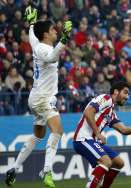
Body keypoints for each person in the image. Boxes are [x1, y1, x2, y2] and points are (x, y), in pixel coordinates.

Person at [5, 6, 72, 187]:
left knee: (38, 136)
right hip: (43, 97)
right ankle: (47, 171)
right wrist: (65, 38)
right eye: (52, 30)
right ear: (45, 35)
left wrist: (32, 22)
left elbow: (32, 34)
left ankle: (14, 168)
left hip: (36, 97)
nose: (55, 31)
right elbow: (51, 57)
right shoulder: (43, 48)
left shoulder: (36, 42)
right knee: (57, 131)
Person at [73, 81, 131, 188]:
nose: (127, 97)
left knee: (119, 163)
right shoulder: (105, 98)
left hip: (92, 140)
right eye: (125, 92)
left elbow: (124, 130)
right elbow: (88, 112)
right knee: (106, 162)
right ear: (116, 92)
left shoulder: (111, 113)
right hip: (82, 139)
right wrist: (97, 133)